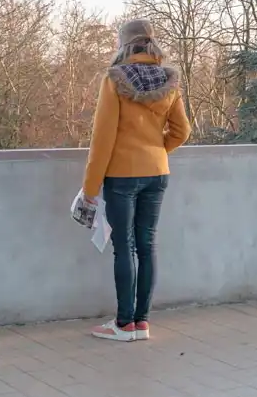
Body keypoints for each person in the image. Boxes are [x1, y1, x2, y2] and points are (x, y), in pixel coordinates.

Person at [81, 19, 191, 342]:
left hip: (122, 175)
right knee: (147, 245)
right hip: (158, 174)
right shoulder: (169, 80)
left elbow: (102, 138)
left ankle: (123, 323)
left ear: (123, 45)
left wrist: (90, 188)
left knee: (123, 247)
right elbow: (183, 131)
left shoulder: (114, 80)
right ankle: (141, 323)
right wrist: (157, 150)